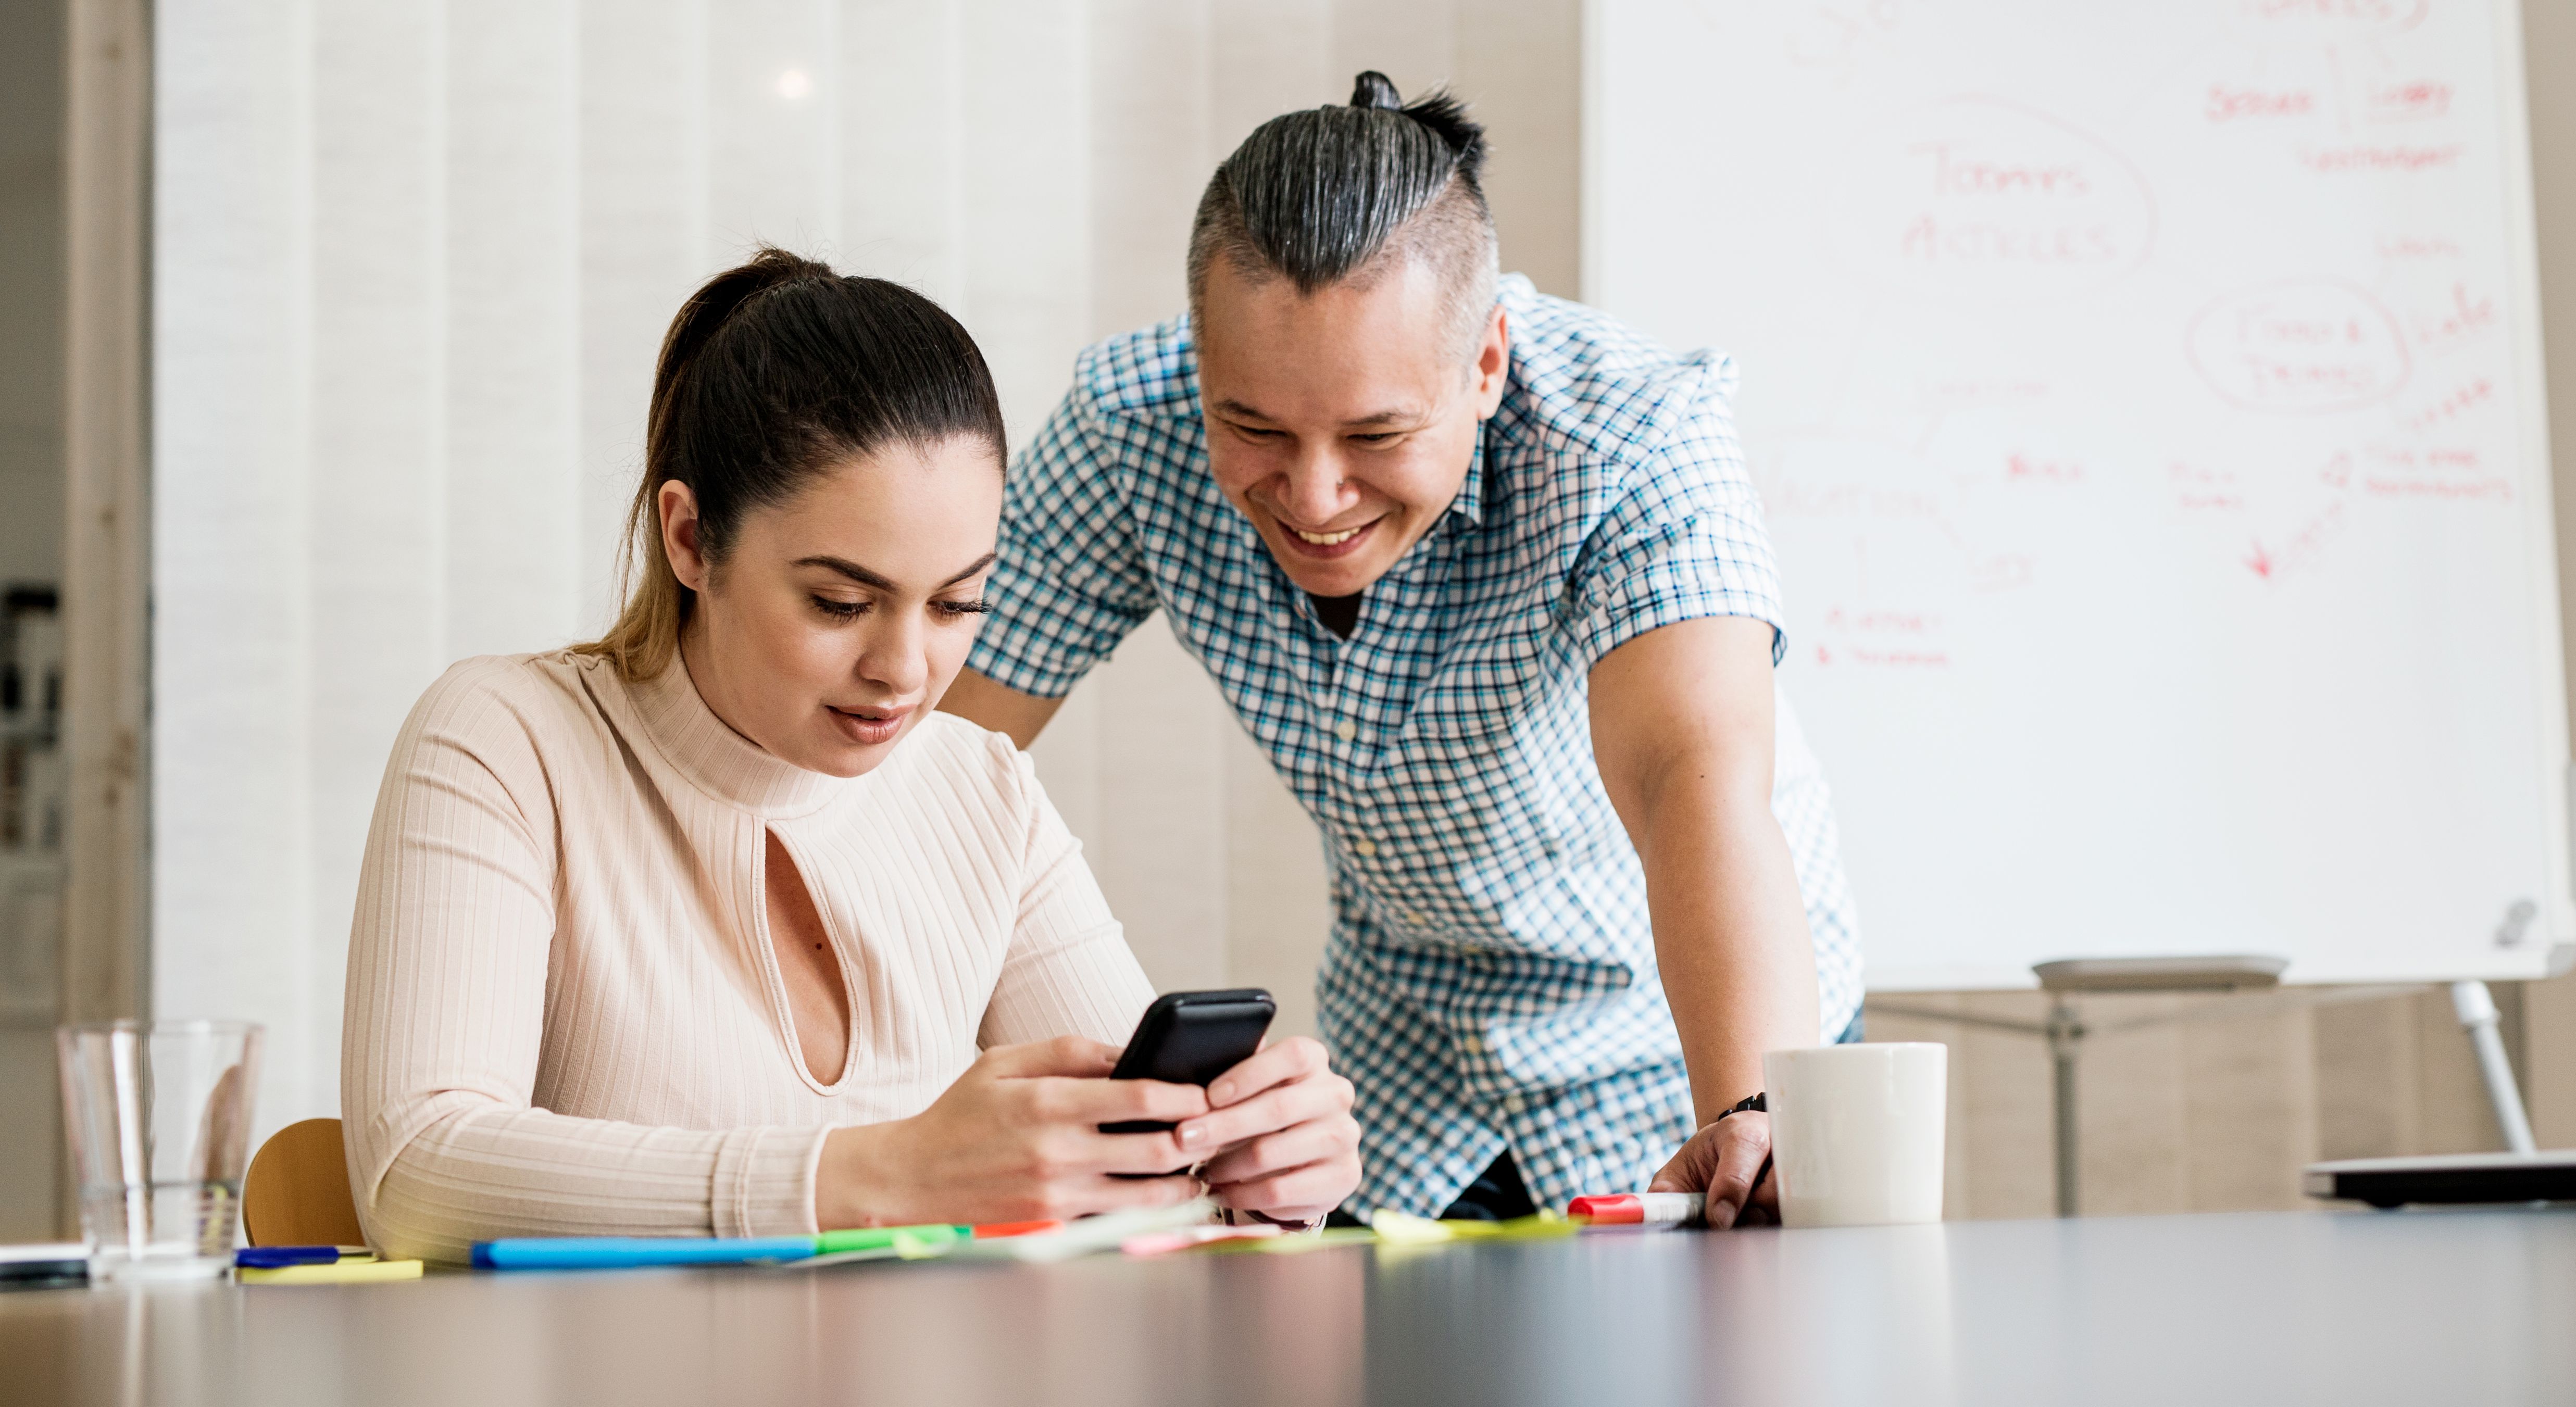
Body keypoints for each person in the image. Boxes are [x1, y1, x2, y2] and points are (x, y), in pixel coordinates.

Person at [942, 74, 1862, 1228]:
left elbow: (1696, 781)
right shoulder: (1134, 429)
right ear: (1201, 357)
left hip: (1688, 1035)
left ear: (1485, 366)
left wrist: (1751, 1102)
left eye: (1377, 435)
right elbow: (942, 760)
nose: (1315, 497)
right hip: (1408, 1062)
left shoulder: (1632, 434)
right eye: (1254, 427)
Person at [341, 250, 1360, 1262]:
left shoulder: (979, 788)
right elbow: (417, 1174)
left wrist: (1254, 1168)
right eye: (840, 603)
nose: (907, 670)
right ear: (691, 539)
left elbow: (1146, 1181)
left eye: (959, 601)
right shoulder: (509, 741)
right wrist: (875, 1175)